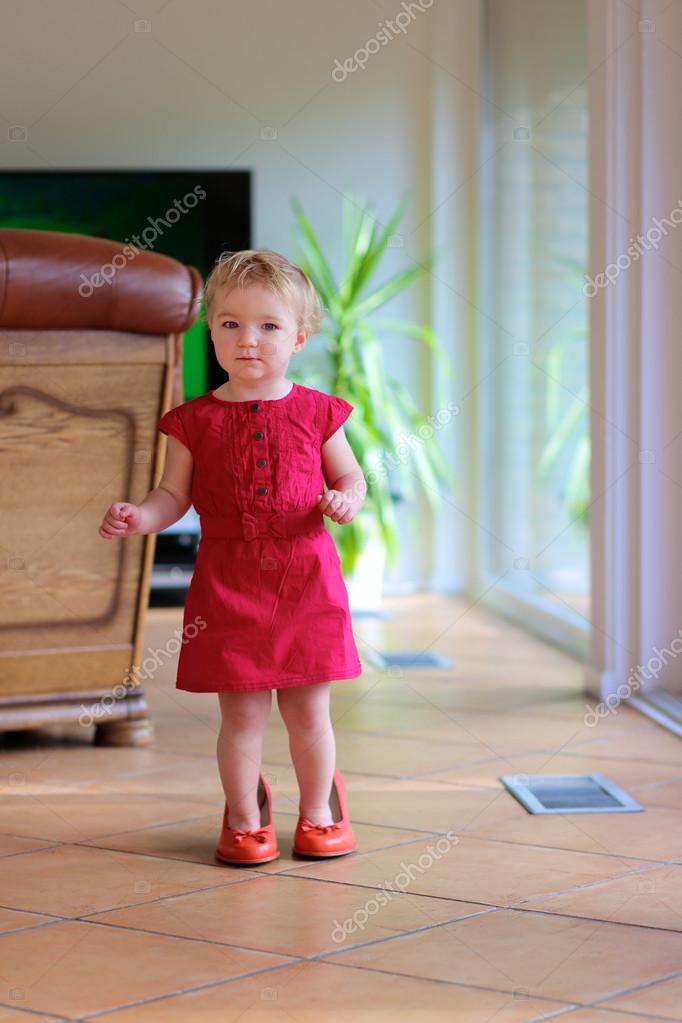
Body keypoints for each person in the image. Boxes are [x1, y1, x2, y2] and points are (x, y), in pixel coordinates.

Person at [99, 249, 367, 867]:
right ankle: (246, 819)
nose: (249, 340)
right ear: (211, 330)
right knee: (241, 717)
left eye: (269, 326)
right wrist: (141, 516)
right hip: (228, 584)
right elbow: (173, 496)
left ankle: (320, 810)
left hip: (307, 581)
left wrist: (346, 499)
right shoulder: (190, 423)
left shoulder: (321, 413)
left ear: (298, 337)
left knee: (308, 712)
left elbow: (351, 476)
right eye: (231, 324)